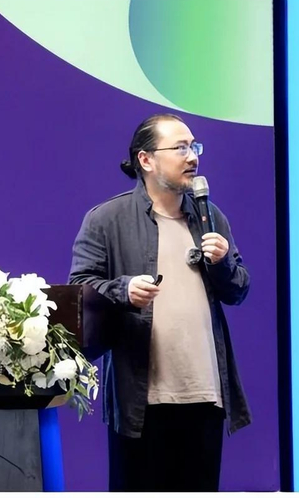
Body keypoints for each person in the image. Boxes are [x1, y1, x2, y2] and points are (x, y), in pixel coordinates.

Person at [68, 114, 251, 492]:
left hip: (205, 394)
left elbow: (238, 290)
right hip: (141, 400)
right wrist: (124, 290)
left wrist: (222, 263)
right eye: (180, 147)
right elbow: (79, 290)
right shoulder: (107, 219)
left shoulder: (210, 216)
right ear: (146, 159)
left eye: (194, 147)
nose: (192, 156)